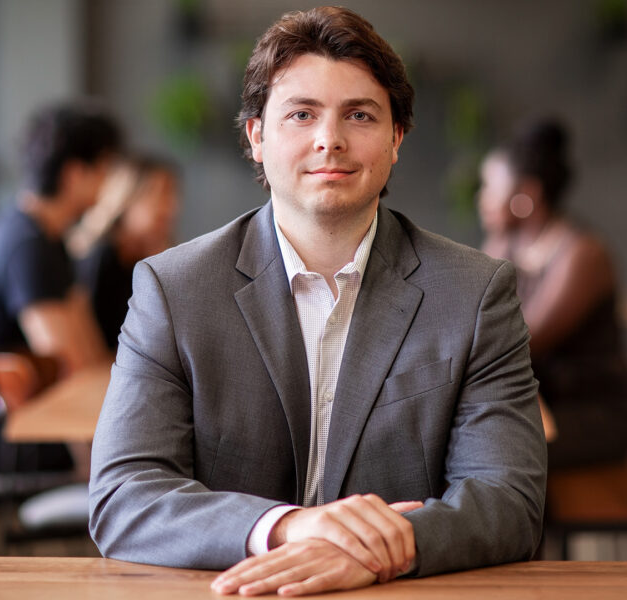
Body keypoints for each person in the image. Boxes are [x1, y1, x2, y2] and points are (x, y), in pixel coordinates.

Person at [89, 7, 546, 596]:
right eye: (301, 114)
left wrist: (381, 552)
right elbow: (124, 495)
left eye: (359, 115)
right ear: (256, 137)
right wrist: (290, 529)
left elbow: (509, 499)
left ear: (396, 139)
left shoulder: (475, 292)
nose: (330, 139)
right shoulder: (174, 289)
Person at [0, 100, 122, 473]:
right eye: (104, 169)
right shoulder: (29, 247)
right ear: (76, 174)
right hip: (5, 433)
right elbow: (66, 366)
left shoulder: (40, 235)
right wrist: (94, 474)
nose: (108, 184)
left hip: (19, 420)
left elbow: (86, 347)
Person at [478, 117, 627, 469]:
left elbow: (521, 341)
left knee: (499, 452)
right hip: (539, 400)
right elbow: (476, 318)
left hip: (592, 412)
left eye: (490, 187)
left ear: (528, 194)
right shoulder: (507, 241)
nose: (482, 199)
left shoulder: (581, 254)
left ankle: (532, 526)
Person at [73, 155, 180, 349]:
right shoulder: (100, 258)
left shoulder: (161, 257)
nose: (168, 207)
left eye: (171, 195)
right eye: (155, 194)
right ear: (127, 197)